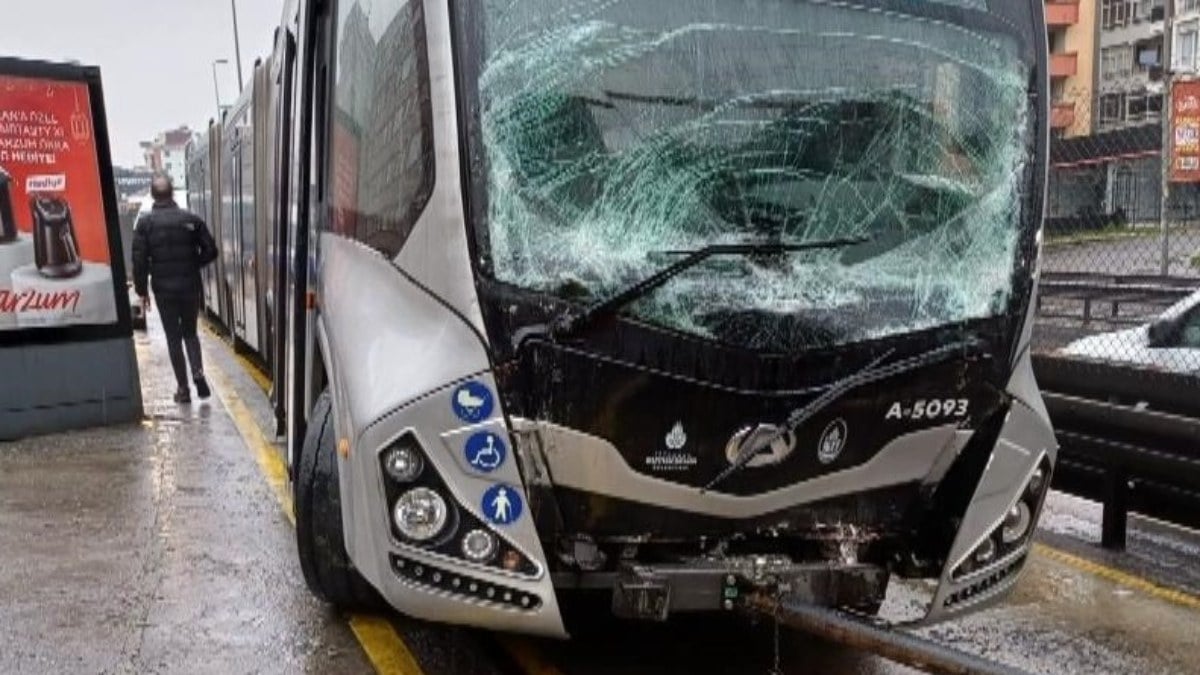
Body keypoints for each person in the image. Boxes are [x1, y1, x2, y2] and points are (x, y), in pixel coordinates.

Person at [132, 175, 218, 404]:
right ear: (171, 193)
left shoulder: (145, 224)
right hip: (189, 285)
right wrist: (193, 263)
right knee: (190, 331)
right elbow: (211, 250)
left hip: (163, 289)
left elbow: (139, 262)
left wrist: (142, 291)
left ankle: (183, 388)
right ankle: (198, 372)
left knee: (173, 336)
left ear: (152, 195)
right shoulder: (192, 220)